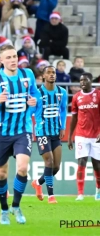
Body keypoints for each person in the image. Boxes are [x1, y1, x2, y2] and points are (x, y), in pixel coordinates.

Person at [0, 44, 39, 224]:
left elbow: (35, 96)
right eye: (9, 58)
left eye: (15, 56)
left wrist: (34, 103)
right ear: (1, 61)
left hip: (23, 130)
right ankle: (4, 210)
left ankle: (16, 205)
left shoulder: (27, 74)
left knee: (22, 168)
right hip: (2, 132)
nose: (13, 60)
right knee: (2, 174)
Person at [31, 66, 68, 204]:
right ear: (43, 76)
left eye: (53, 73)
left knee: (56, 167)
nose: (52, 75)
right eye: (49, 73)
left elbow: (63, 110)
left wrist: (63, 127)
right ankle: (51, 196)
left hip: (55, 132)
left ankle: (37, 182)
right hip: (42, 133)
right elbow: (31, 112)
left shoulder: (62, 92)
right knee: (49, 162)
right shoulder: (37, 93)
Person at [68, 73, 100, 201]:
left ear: (91, 81)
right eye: (81, 80)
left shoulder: (98, 94)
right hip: (81, 135)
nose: (82, 82)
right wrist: (70, 136)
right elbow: (74, 117)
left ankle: (98, 189)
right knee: (81, 162)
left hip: (96, 136)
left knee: (97, 165)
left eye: (85, 80)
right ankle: (80, 193)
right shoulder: (76, 97)